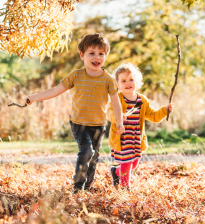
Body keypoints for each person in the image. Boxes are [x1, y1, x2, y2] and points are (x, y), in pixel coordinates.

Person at [26, 33, 125, 193]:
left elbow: (116, 102)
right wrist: (34, 97)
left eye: (101, 53)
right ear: (82, 55)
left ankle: (87, 186)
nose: (96, 57)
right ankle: (78, 186)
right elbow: (55, 90)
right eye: (91, 53)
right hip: (79, 122)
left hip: (99, 125)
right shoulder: (76, 76)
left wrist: (119, 121)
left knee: (93, 159)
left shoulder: (108, 80)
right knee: (87, 151)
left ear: (106, 56)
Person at [107, 63, 174, 190]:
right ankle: (125, 188)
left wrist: (165, 110)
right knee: (126, 164)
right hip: (122, 137)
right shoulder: (117, 99)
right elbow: (109, 112)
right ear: (117, 84)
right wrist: (118, 116)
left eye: (131, 79)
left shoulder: (141, 100)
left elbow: (153, 115)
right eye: (123, 80)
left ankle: (116, 172)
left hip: (135, 137)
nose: (128, 83)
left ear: (136, 81)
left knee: (134, 163)